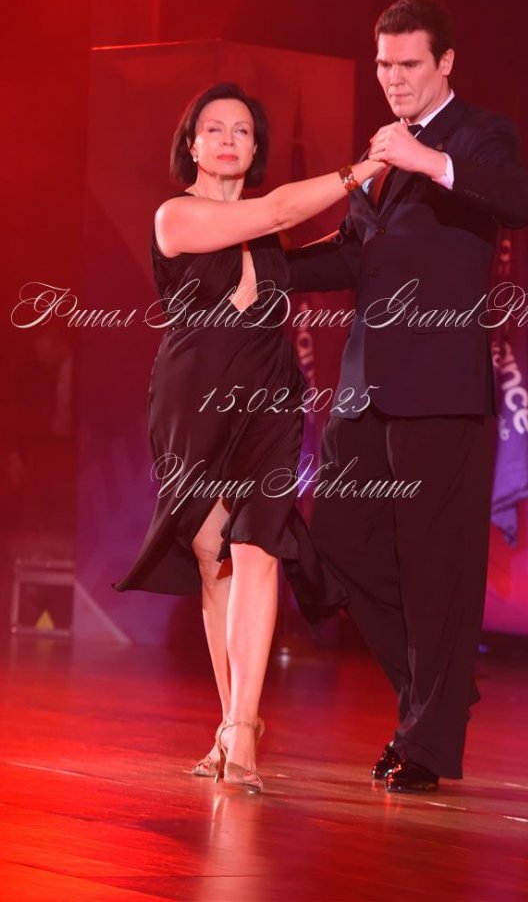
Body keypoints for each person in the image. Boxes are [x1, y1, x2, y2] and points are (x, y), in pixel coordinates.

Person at [287, 0, 528, 792]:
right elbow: (353, 256)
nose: (393, 78)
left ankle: (427, 739)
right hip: (365, 391)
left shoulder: (476, 136)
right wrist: (260, 264)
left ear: (445, 63)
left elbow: (520, 199)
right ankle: (438, 689)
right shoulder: (385, 151)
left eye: (408, 64)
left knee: (439, 569)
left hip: (440, 391)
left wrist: (426, 159)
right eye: (383, 64)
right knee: (338, 544)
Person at [114, 82, 385, 792]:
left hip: (270, 400)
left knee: (258, 547)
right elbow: (277, 209)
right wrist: (363, 166)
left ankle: (242, 728)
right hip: (192, 402)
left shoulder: (271, 240)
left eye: (242, 129)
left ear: (256, 146)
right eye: (214, 128)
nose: (228, 138)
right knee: (214, 560)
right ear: (192, 145)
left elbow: (327, 248)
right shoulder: (175, 215)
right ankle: (230, 718)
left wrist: (382, 204)